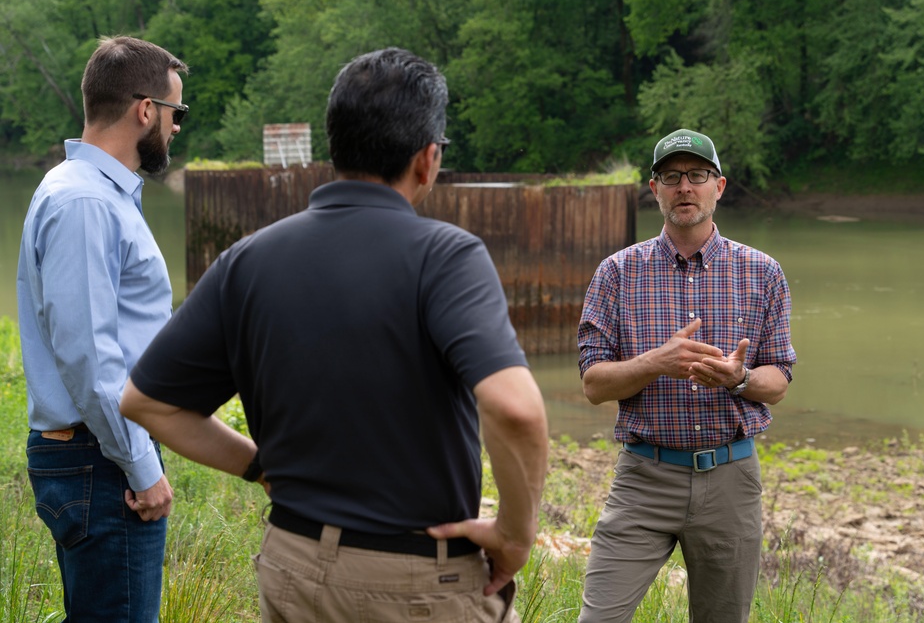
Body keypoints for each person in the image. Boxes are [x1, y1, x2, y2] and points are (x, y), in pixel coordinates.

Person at [118, 47, 549, 623]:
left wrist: (257, 466)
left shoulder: (248, 261)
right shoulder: (446, 256)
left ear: (335, 146)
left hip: (292, 566)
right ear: (428, 160)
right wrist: (515, 535)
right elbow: (516, 411)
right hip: (417, 580)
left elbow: (147, 401)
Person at [576, 128, 797, 622]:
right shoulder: (616, 272)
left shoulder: (763, 272)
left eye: (697, 175)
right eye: (671, 177)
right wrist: (658, 361)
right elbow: (593, 385)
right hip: (643, 479)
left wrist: (737, 380)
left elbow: (778, 381)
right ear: (654, 189)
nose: (684, 188)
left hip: (730, 480)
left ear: (719, 186)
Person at [17, 36, 189, 621]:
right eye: (176, 114)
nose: (177, 129)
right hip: (103, 460)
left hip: (99, 452)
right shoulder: (85, 203)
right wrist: (142, 468)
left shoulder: (89, 194)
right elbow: (89, 356)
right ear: (146, 110)